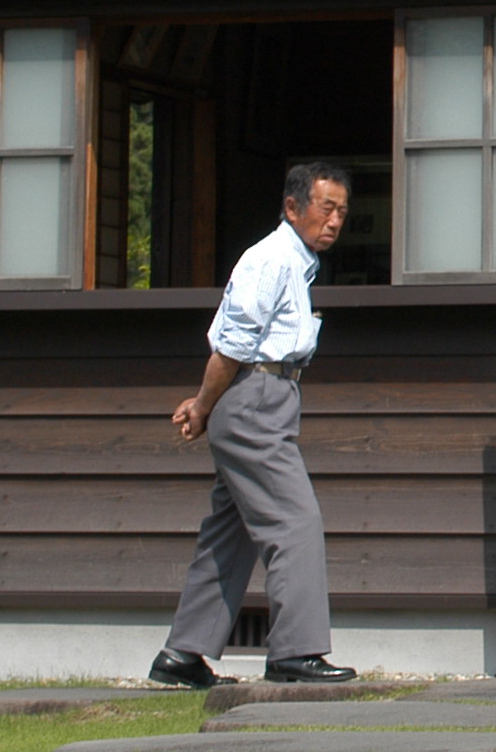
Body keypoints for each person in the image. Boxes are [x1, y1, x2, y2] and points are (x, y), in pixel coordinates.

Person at [148, 162, 360, 688]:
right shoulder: (271, 259)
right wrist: (201, 405)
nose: (334, 220)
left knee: (233, 531)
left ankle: (182, 655)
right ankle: (295, 652)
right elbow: (233, 346)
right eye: (325, 207)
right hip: (255, 400)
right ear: (293, 208)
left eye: (342, 211)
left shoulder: (297, 262)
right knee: (296, 521)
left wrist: (206, 405)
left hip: (266, 397)